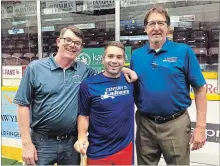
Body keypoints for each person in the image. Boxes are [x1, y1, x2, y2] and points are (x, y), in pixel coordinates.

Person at [13, 25, 137, 165]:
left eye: (77, 43)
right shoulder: (35, 68)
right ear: (58, 41)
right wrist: (26, 144)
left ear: (80, 48)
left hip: (71, 144)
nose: (72, 45)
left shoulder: (84, 71)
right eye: (68, 40)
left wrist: (124, 69)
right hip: (42, 143)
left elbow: (107, 72)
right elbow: (23, 105)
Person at [131, 7, 207, 165]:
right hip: (145, 125)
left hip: (175, 125)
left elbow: (200, 89)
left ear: (168, 27)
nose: (156, 28)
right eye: (152, 23)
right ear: (145, 28)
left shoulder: (183, 51)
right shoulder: (136, 56)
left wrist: (200, 127)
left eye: (161, 23)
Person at [74, 41, 134, 165]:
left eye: (119, 57)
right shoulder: (88, 85)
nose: (114, 61)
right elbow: (83, 114)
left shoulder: (130, 81)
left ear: (124, 60)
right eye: (110, 56)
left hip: (125, 148)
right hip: (98, 151)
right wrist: (81, 136)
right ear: (103, 59)